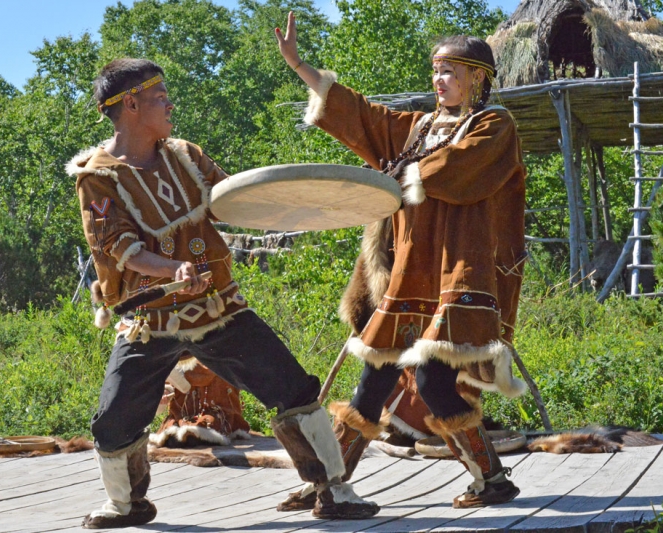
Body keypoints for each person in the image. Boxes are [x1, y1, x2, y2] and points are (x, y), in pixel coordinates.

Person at [69, 58, 380, 529]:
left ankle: (334, 488)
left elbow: (236, 201)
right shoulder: (98, 177)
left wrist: (314, 204)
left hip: (217, 309)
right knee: (114, 420)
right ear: (130, 104)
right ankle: (126, 504)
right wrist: (172, 268)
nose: (170, 105)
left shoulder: (187, 157)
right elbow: (119, 248)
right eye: (159, 98)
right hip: (149, 322)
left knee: (294, 389)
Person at [275, 13, 528, 509]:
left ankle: (490, 479)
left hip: (457, 272)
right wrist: (301, 66)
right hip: (407, 273)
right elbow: (363, 116)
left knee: (433, 378)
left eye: (449, 71)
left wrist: (402, 175)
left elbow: (458, 170)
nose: (438, 81)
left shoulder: (493, 126)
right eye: (435, 71)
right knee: (374, 375)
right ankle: (330, 480)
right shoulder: (418, 128)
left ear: (478, 77)